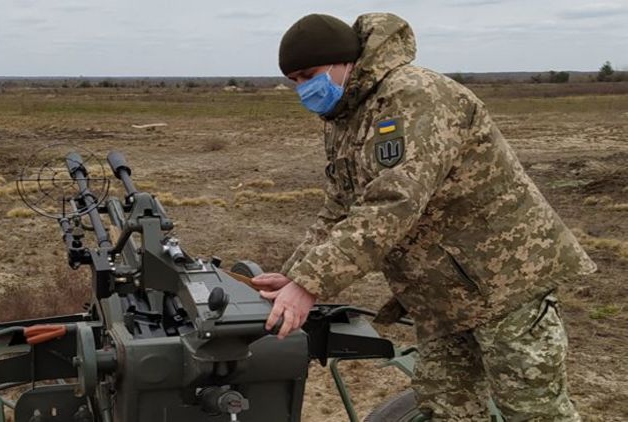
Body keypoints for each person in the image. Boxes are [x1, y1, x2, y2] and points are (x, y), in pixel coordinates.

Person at [251, 12, 596, 421]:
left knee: (533, 411)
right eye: (294, 81)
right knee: (447, 408)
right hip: (442, 296)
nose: (303, 89)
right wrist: (295, 275)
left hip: (505, 282)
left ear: (345, 61)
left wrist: (311, 284)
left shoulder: (413, 96)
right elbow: (339, 208)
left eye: (309, 75)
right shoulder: (346, 117)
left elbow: (393, 203)